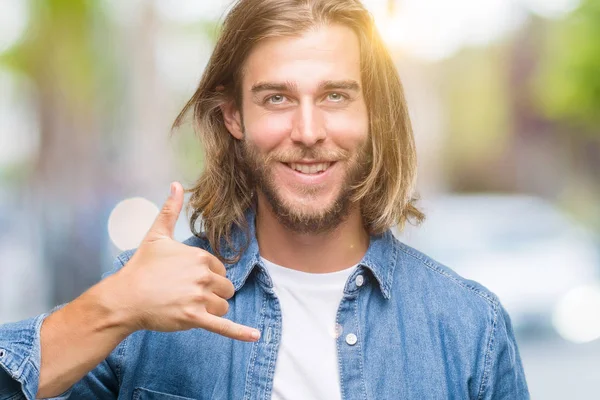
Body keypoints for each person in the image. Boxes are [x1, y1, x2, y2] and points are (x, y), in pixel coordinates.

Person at [0, 0, 529, 399]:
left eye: (335, 96)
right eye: (276, 98)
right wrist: (115, 307)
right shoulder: (143, 305)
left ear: (374, 114)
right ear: (234, 115)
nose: (307, 130)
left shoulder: (468, 325)